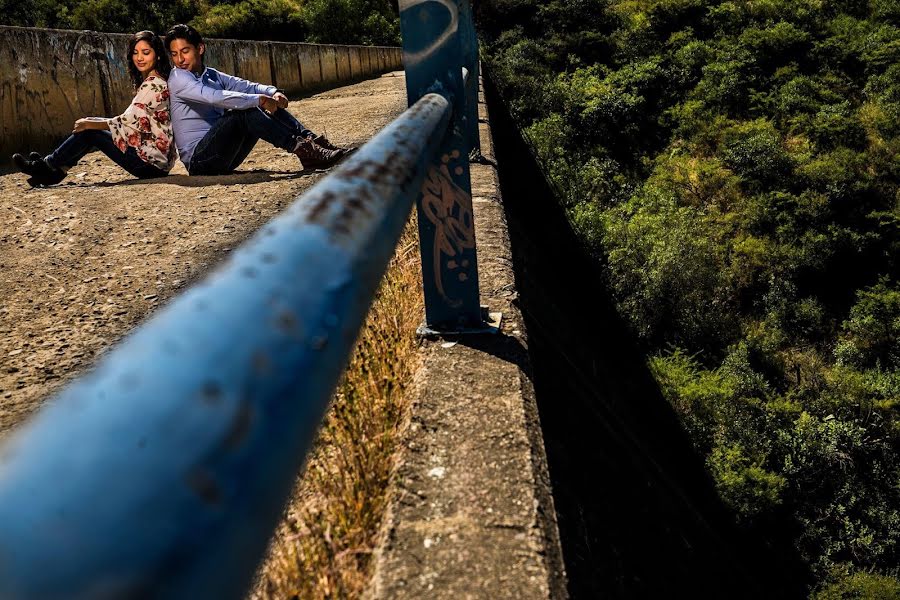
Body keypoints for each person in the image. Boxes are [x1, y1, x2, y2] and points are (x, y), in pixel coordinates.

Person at [165, 24, 347, 176]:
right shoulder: (178, 78)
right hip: (200, 161)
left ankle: (312, 141)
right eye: (174, 54)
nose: (180, 59)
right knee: (244, 110)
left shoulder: (210, 74)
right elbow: (214, 97)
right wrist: (260, 100)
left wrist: (272, 92)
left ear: (200, 48)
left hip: (225, 155)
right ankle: (303, 150)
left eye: (185, 51)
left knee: (252, 101)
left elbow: (246, 86)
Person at [12, 31, 176, 187]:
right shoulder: (157, 81)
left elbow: (127, 121)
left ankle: (47, 166)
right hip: (156, 162)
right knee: (91, 127)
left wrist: (90, 123)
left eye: (146, 52)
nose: (139, 58)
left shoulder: (153, 84)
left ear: (158, 55)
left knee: (90, 132)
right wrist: (91, 121)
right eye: (135, 52)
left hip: (149, 164)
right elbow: (131, 121)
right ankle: (55, 170)